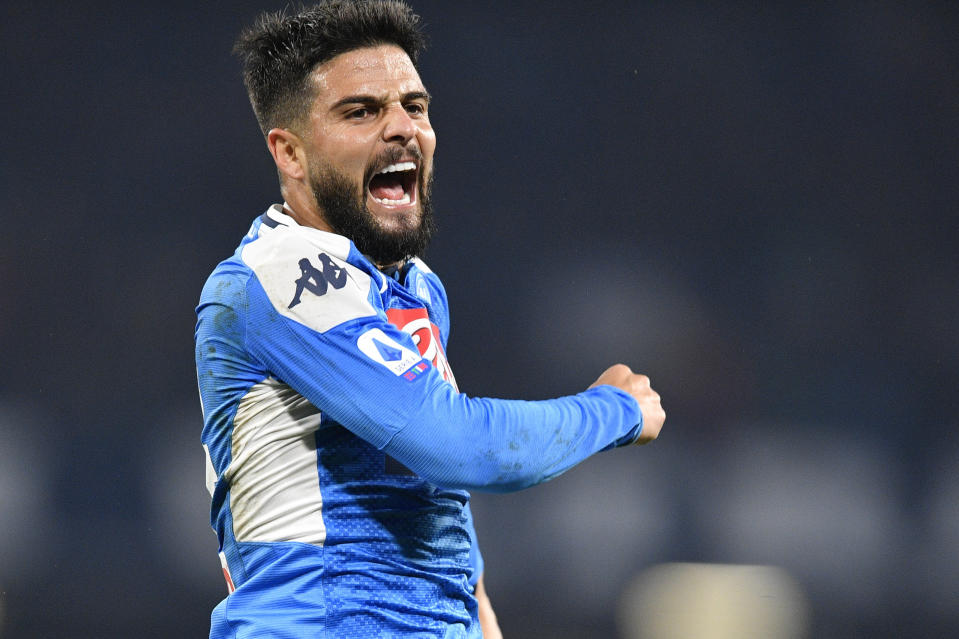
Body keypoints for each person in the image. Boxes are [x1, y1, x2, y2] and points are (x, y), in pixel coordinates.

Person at [194, 1, 665, 637]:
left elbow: (434, 496)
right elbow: (457, 446)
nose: (402, 128)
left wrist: (480, 619)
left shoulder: (414, 287)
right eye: (361, 111)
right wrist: (613, 410)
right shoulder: (273, 280)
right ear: (290, 153)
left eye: (414, 106)